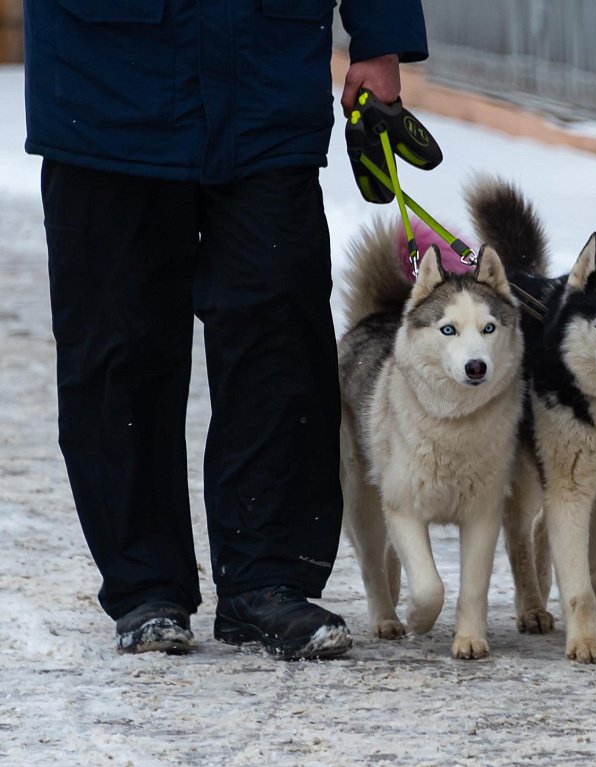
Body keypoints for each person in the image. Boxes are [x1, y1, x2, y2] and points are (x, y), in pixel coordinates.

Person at [23, 0, 428, 659]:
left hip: (262, 76)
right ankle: (144, 585)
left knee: (280, 342)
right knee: (116, 349)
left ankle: (266, 582)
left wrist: (381, 40)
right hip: (102, 82)